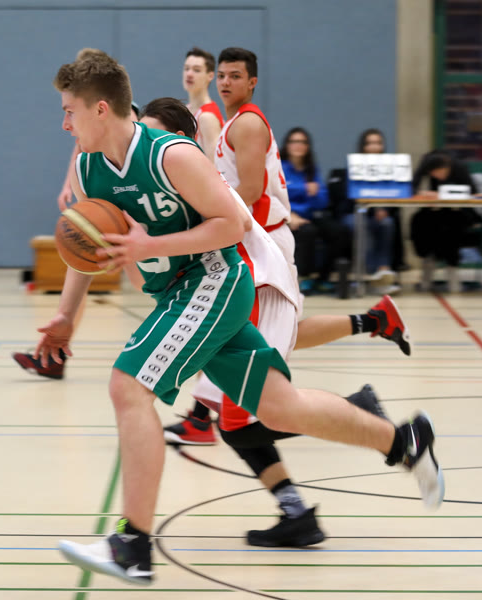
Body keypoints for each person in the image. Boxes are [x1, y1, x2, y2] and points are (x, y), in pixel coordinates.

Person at [45, 48, 443, 586]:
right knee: (279, 408)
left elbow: (232, 224)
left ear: (99, 109)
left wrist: (150, 246)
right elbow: (91, 251)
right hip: (178, 294)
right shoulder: (90, 169)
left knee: (128, 385)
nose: (64, 123)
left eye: (69, 111)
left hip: (214, 280)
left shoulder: (171, 155)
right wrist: (65, 317)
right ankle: (402, 441)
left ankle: (133, 544)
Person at [141, 97, 398, 547]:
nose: (148, 144)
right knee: (240, 420)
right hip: (240, 285)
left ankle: (362, 418)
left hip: (255, 281)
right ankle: (298, 509)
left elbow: (238, 219)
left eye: (154, 135)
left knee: (244, 418)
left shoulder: (213, 165)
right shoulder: (174, 181)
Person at [164, 50, 407, 447]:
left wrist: (205, 224)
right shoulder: (233, 122)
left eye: (234, 76)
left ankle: (206, 418)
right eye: (222, 75)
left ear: (252, 82)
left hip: (261, 241)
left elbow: (249, 191)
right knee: (275, 333)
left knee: (235, 332)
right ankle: (374, 327)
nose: (225, 82)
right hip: (254, 237)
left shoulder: (245, 123)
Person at [13, 102, 140, 379]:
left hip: (136, 213)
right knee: (82, 263)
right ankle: (56, 352)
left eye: (70, 113)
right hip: (106, 204)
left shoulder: (126, 120)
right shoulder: (88, 137)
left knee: (151, 286)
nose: (66, 124)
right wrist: (68, 185)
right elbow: (80, 149)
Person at [329, 128, 402, 290]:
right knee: (360, 223)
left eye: (378, 143)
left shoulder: (389, 168)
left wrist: (384, 209)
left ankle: (383, 270)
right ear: (363, 146)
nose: (374, 147)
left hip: (378, 214)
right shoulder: (353, 167)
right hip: (353, 212)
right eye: (370, 143)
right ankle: (370, 273)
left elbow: (393, 194)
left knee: (387, 223)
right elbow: (348, 197)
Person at [282, 126, 351, 294]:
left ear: (307, 146)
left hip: (311, 213)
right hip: (287, 215)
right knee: (308, 232)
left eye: (302, 142)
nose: (298, 145)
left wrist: (311, 194)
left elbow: (322, 199)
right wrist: (304, 189)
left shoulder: (311, 169)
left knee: (339, 231)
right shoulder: (279, 167)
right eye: (294, 141)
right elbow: (279, 192)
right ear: (287, 145)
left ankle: (323, 277)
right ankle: (304, 277)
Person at [410, 150, 482, 293]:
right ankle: (428, 262)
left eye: (439, 172)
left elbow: (473, 192)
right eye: (432, 173)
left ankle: (452, 270)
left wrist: (446, 194)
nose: (436, 176)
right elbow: (413, 186)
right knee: (419, 221)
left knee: (451, 227)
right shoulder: (426, 163)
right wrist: (422, 193)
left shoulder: (459, 167)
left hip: (457, 210)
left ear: (447, 166)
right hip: (433, 209)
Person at [182, 46, 224, 159]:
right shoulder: (185, 110)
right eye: (186, 68)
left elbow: (214, 165)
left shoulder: (207, 117)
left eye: (196, 70)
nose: (189, 74)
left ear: (210, 76)